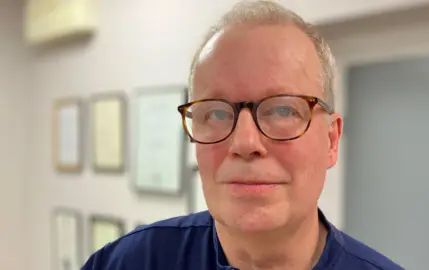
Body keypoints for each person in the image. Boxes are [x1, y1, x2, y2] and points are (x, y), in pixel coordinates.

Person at [82, 1, 404, 269]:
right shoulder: (130, 262)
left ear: (331, 141)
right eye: (217, 113)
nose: (245, 143)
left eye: (282, 110)